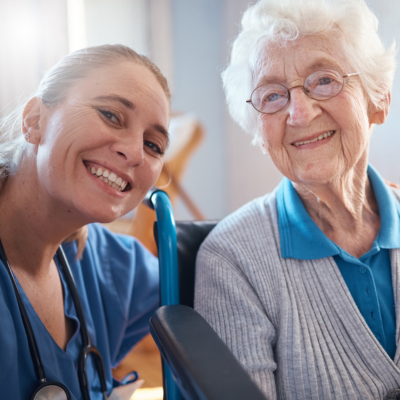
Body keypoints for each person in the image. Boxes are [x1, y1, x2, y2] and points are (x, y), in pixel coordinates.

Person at [194, 0, 400, 399]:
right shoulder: (232, 260)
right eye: (272, 96)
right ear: (260, 129)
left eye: (324, 80)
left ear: (379, 100)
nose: (300, 113)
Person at [0, 44, 170, 399]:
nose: (136, 152)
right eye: (111, 115)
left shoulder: (108, 266)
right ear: (34, 121)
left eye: (153, 145)